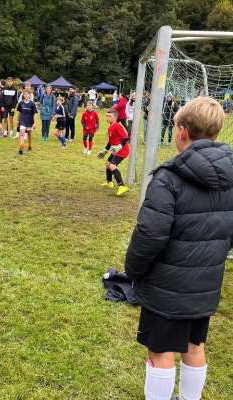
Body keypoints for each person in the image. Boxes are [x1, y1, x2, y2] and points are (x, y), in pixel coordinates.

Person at [124, 97, 233, 400]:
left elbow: (149, 235)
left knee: (160, 351)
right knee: (195, 346)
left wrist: (132, 272)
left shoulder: (168, 178)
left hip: (167, 287)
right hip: (205, 284)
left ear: (182, 131)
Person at [97, 109, 129, 196]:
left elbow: (126, 137)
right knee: (108, 163)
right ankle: (109, 182)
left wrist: (119, 146)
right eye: (106, 115)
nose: (107, 117)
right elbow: (110, 142)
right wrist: (105, 151)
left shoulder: (117, 126)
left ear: (115, 117)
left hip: (122, 151)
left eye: (109, 116)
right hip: (115, 150)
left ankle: (122, 186)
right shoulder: (110, 127)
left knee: (112, 165)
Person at [17, 90, 37, 155]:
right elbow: (19, 112)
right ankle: (21, 147)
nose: (26, 95)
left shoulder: (32, 104)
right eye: (24, 94)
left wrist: (35, 123)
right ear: (23, 95)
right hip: (22, 121)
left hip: (30, 121)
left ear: (29, 95)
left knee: (29, 135)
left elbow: (35, 114)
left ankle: (30, 145)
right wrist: (18, 121)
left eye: (27, 94)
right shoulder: (21, 103)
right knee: (22, 133)